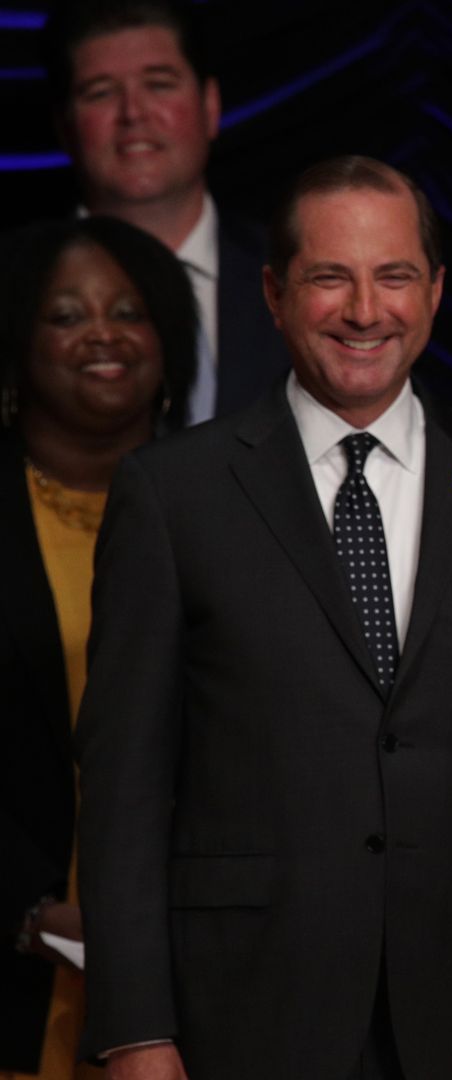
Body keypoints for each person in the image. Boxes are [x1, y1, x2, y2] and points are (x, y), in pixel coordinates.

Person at [73, 157, 452, 1080]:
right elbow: (124, 786)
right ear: (275, 293)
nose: (366, 310)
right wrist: (134, 1030)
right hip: (240, 1016)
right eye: (331, 277)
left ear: (435, 292)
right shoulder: (173, 496)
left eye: (393, 275)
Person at [1, 216, 195, 1080]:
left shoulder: (240, 510)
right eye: (66, 316)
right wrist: (27, 912)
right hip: (16, 980)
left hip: (204, 984)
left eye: (127, 311)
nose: (103, 334)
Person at [41, 0, 288, 424]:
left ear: (210, 106)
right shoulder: (17, 285)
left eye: (159, 84)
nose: (133, 114)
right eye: (100, 92)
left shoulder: (298, 274)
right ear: (65, 128)